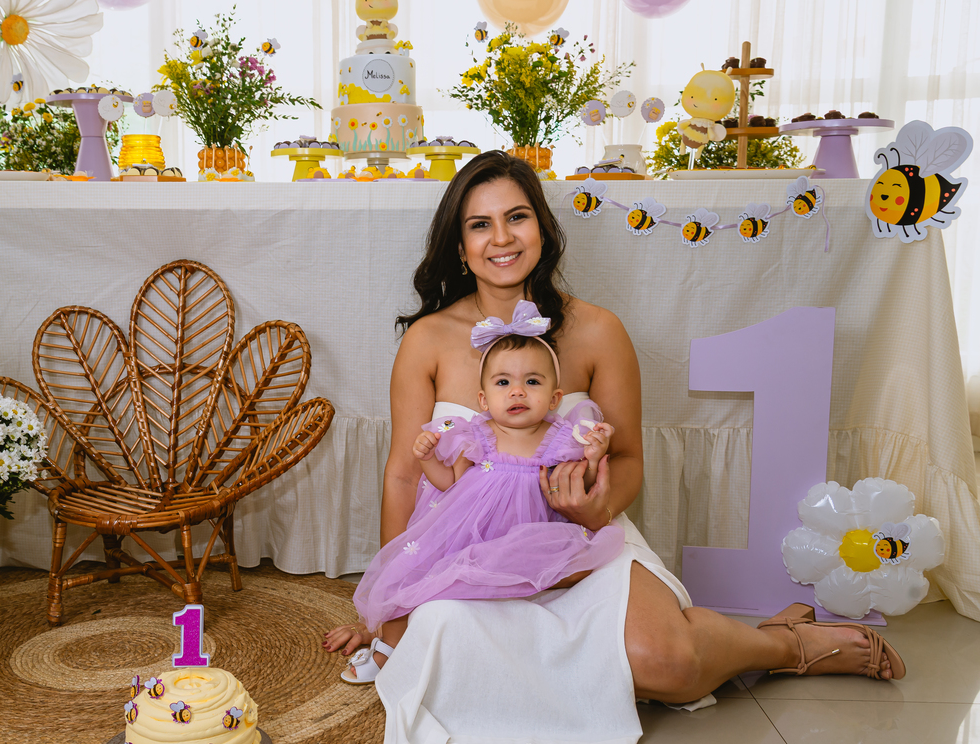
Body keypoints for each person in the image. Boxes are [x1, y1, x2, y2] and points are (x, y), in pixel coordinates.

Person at [324, 150, 903, 713]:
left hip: (579, 541)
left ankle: (784, 643)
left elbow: (626, 460)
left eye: (517, 217)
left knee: (665, 664)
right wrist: (385, 601)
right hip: (461, 555)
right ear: (460, 245)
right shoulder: (426, 339)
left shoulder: (600, 331)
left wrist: (593, 510)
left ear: (544, 230)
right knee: (439, 665)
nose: (501, 238)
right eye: (481, 224)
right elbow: (404, 473)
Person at [342, 310, 624, 683]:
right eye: (503, 382)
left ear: (555, 397)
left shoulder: (560, 439)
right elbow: (450, 484)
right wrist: (426, 458)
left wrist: (590, 458)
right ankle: (391, 648)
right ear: (483, 398)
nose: (517, 391)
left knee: (547, 589)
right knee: (417, 576)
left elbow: (579, 486)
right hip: (471, 535)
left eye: (533, 382)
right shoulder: (474, 436)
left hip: (530, 539)